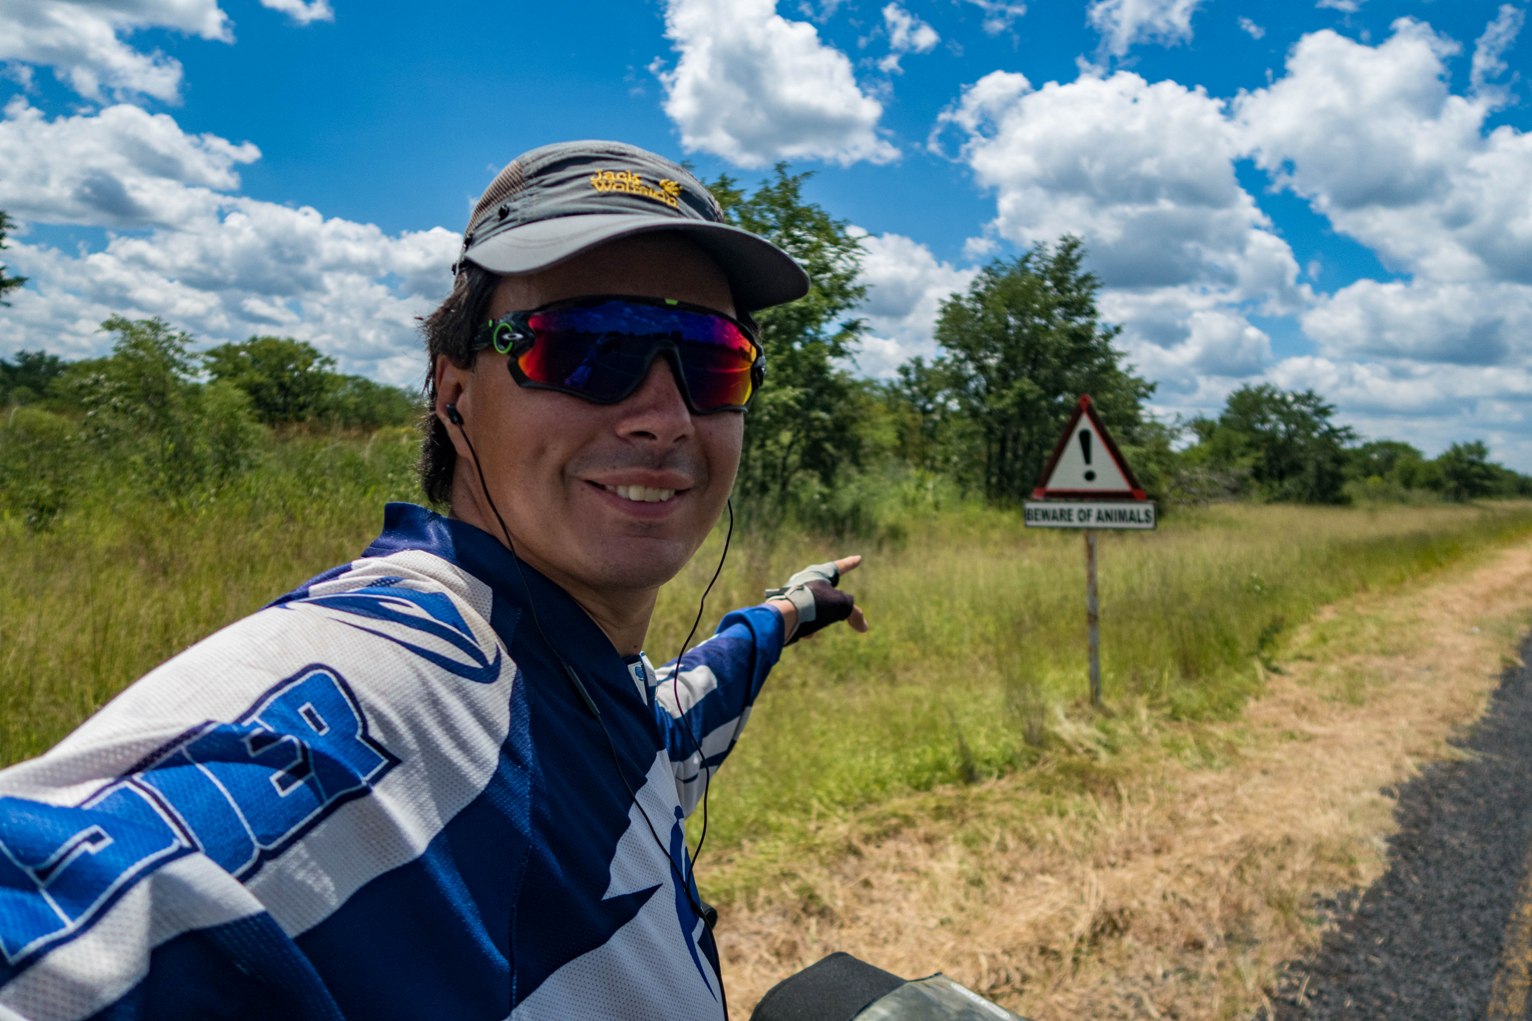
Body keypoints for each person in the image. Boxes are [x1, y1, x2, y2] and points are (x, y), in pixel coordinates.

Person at [0, 140, 868, 1020]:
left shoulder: (600, 699)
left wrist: (796, 606)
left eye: (711, 359)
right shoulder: (389, 685)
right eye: (587, 347)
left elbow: (683, 706)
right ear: (454, 395)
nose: (663, 416)